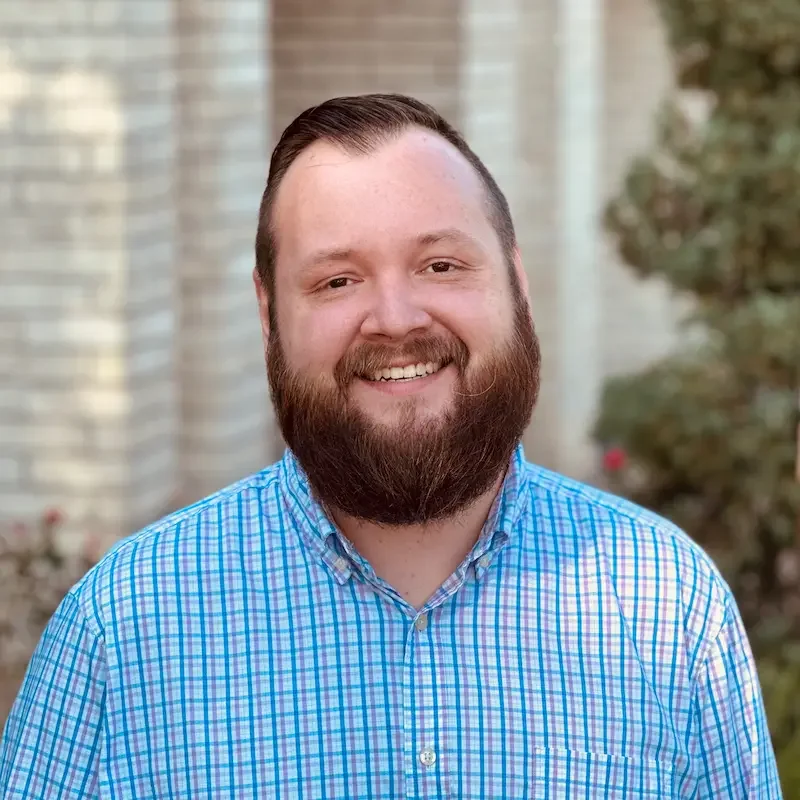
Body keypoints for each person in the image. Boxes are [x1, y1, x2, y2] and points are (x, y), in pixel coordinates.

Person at [0, 94, 781, 799]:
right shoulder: (124, 628)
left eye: (440, 265)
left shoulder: (667, 606)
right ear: (269, 315)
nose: (396, 318)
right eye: (338, 281)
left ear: (516, 283)